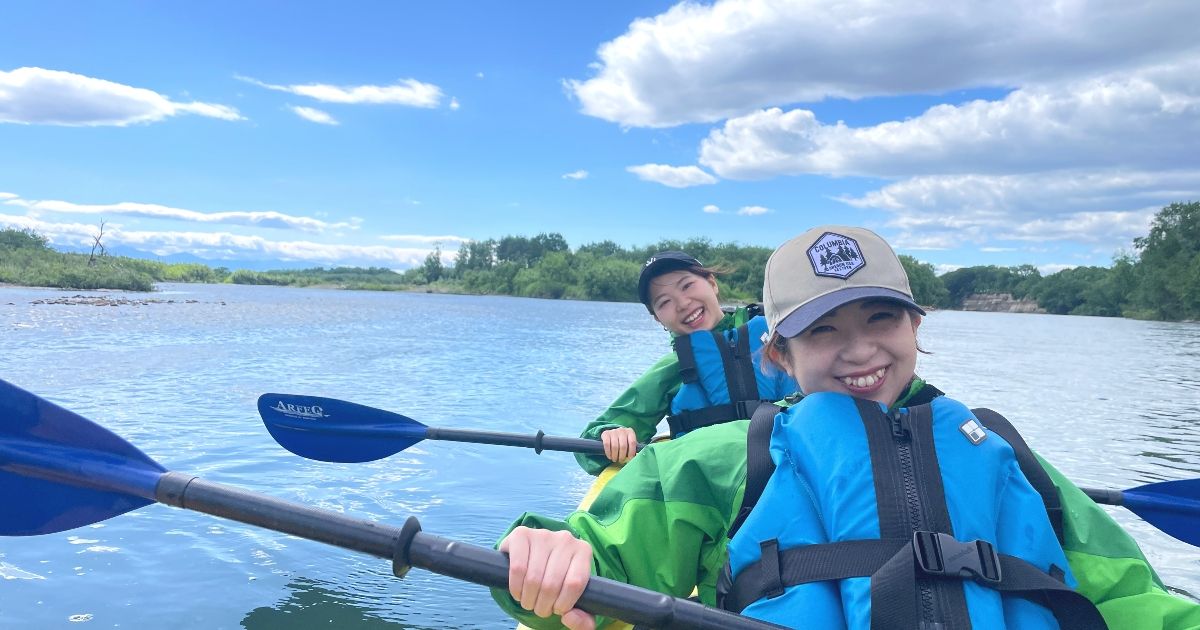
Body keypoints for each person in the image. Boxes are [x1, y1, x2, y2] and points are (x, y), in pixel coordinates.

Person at [494, 226, 1200, 629]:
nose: (860, 350)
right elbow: (582, 568)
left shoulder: (1000, 451)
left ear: (917, 326)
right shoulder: (713, 462)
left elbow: (1135, 602)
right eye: (823, 330)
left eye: (881, 318)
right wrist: (539, 561)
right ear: (782, 352)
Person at [577, 251, 796, 473]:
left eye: (686, 286)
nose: (682, 304)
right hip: (714, 484)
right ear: (657, 319)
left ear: (712, 283)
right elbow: (590, 444)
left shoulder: (782, 337)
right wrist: (611, 434)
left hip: (789, 470)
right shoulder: (673, 368)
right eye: (664, 302)